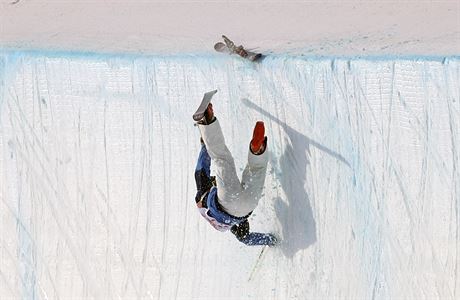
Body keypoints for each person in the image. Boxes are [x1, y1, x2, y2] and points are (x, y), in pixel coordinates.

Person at [194, 102, 277, 246]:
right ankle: (206, 120)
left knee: (258, 168)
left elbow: (245, 238)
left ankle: (257, 150)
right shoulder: (201, 198)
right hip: (227, 201)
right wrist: (204, 144)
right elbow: (201, 168)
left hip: (247, 207)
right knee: (221, 158)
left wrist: (269, 239)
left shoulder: (228, 225)